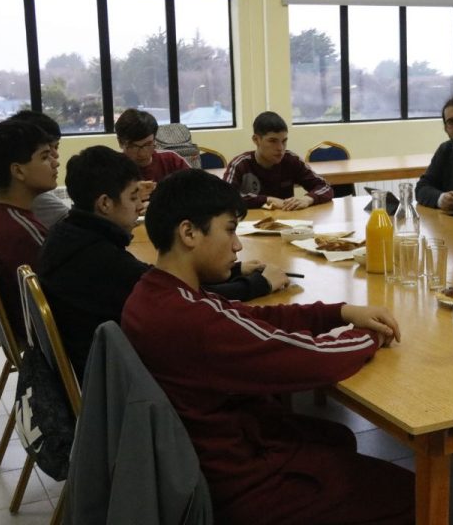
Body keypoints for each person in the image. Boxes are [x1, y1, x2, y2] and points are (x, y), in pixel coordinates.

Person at [121, 169, 414, 524]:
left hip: (212, 456)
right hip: (242, 482)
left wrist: (339, 312)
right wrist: (369, 336)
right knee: (413, 493)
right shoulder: (192, 320)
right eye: (229, 230)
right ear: (189, 233)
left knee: (334, 435)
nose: (237, 245)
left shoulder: (157, 292)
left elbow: (257, 320)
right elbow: (309, 361)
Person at [39, 146, 289, 380]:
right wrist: (259, 285)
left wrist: (234, 270)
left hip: (95, 363)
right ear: (105, 203)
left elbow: (164, 281)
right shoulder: (100, 260)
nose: (140, 206)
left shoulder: (68, 233)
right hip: (117, 379)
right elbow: (180, 295)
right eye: (133, 196)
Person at [0, 118, 57, 339]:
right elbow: (66, 287)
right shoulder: (21, 233)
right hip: (48, 339)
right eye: (45, 157)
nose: (55, 163)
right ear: (18, 171)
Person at [224, 111, 333, 210]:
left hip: (286, 225)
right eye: (272, 141)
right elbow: (225, 197)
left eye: (284, 141)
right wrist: (267, 200)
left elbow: (325, 187)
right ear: (256, 140)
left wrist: (307, 199)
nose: (280, 148)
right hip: (249, 226)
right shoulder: (240, 164)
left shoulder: (291, 160)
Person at [115, 108, 188, 199]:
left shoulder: (172, 161)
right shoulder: (112, 170)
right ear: (120, 142)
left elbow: (196, 192)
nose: (142, 153)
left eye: (148, 144)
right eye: (134, 146)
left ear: (154, 139)